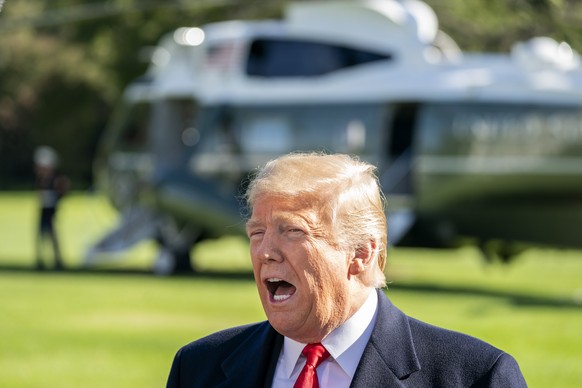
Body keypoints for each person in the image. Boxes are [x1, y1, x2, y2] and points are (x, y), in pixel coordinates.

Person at [166, 152, 527, 387]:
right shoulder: (199, 369)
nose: (266, 253)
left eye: (293, 231)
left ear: (362, 254)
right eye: (256, 233)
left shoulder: (476, 377)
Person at [34, 146, 69, 271]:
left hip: (50, 210)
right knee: (41, 235)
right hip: (43, 210)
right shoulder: (42, 179)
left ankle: (57, 260)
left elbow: (63, 191)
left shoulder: (56, 179)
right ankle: (40, 260)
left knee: (52, 235)